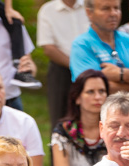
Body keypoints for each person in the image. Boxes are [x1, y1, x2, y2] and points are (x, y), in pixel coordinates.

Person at [69, 0, 129, 95]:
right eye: (106, 9)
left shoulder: (127, 40)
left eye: (116, 8)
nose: (113, 13)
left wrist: (120, 74)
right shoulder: (82, 45)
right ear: (89, 12)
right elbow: (94, 88)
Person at [51, 69, 109, 166]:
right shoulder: (63, 132)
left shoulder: (115, 130)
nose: (98, 97)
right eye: (90, 92)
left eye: (102, 91)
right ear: (77, 98)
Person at [38, 0, 90, 128]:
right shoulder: (47, 10)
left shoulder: (90, 6)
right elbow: (48, 48)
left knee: (91, 116)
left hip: (91, 70)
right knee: (60, 118)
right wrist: (77, 67)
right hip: (61, 71)